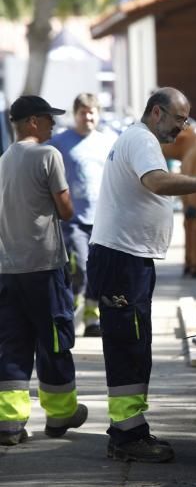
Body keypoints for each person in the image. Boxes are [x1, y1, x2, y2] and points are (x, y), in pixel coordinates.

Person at [87, 87, 196, 464]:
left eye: (186, 120)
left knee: (134, 342)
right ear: (157, 113)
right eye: (178, 119)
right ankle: (127, 437)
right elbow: (157, 182)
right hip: (122, 259)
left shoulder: (138, 139)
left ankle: (130, 428)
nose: (182, 127)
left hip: (128, 258)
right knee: (128, 343)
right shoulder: (141, 140)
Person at [0, 95, 88, 446]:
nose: (54, 124)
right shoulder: (48, 155)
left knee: (11, 345)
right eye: (49, 118)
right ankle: (60, 413)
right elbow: (66, 211)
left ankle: (9, 423)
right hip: (44, 265)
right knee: (54, 340)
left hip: (7, 270)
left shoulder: (3, 161)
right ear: (32, 121)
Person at [50, 93, 117, 336]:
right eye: (82, 112)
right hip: (72, 220)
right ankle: (75, 300)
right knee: (81, 267)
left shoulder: (109, 142)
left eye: (92, 112)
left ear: (98, 114)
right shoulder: (58, 143)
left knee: (98, 269)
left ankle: (91, 317)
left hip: (102, 219)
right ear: (75, 114)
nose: (87, 117)